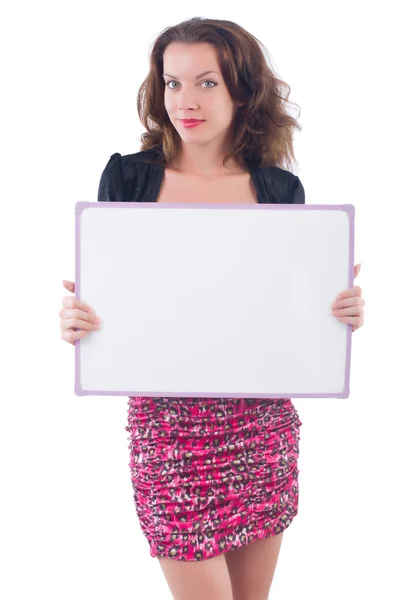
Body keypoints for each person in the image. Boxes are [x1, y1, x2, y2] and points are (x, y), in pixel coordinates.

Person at [59, 17, 365, 600]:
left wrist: (338, 313)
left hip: (260, 424)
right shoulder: (128, 177)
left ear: (241, 92)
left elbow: (285, 319)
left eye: (206, 83)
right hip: (167, 426)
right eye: (172, 83)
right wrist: (81, 323)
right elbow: (115, 304)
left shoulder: (278, 190)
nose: (185, 101)